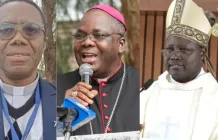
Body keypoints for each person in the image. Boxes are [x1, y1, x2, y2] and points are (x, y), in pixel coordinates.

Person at [0, 0, 56, 140]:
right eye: (6, 29)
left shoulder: (66, 102)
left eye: (31, 30)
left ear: (45, 43)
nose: (18, 39)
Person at [57, 4, 140, 136]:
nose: (87, 42)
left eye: (99, 35)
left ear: (121, 44)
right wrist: (61, 115)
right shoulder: (55, 87)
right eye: (80, 36)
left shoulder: (140, 85)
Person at [140, 0, 218, 139]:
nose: (174, 56)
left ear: (201, 53)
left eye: (184, 50)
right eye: (170, 49)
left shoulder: (214, 98)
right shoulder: (147, 95)